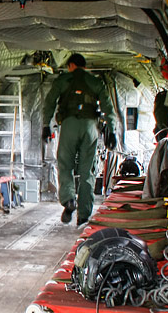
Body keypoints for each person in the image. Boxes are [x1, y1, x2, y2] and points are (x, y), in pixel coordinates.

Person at [43, 53, 115, 226]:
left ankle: (68, 200)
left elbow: (50, 101)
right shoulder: (95, 81)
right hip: (90, 127)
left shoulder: (63, 80)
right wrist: (111, 130)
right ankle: (84, 214)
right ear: (84, 66)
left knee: (65, 164)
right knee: (87, 170)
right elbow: (107, 105)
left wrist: (46, 124)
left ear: (71, 65)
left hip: (69, 125)